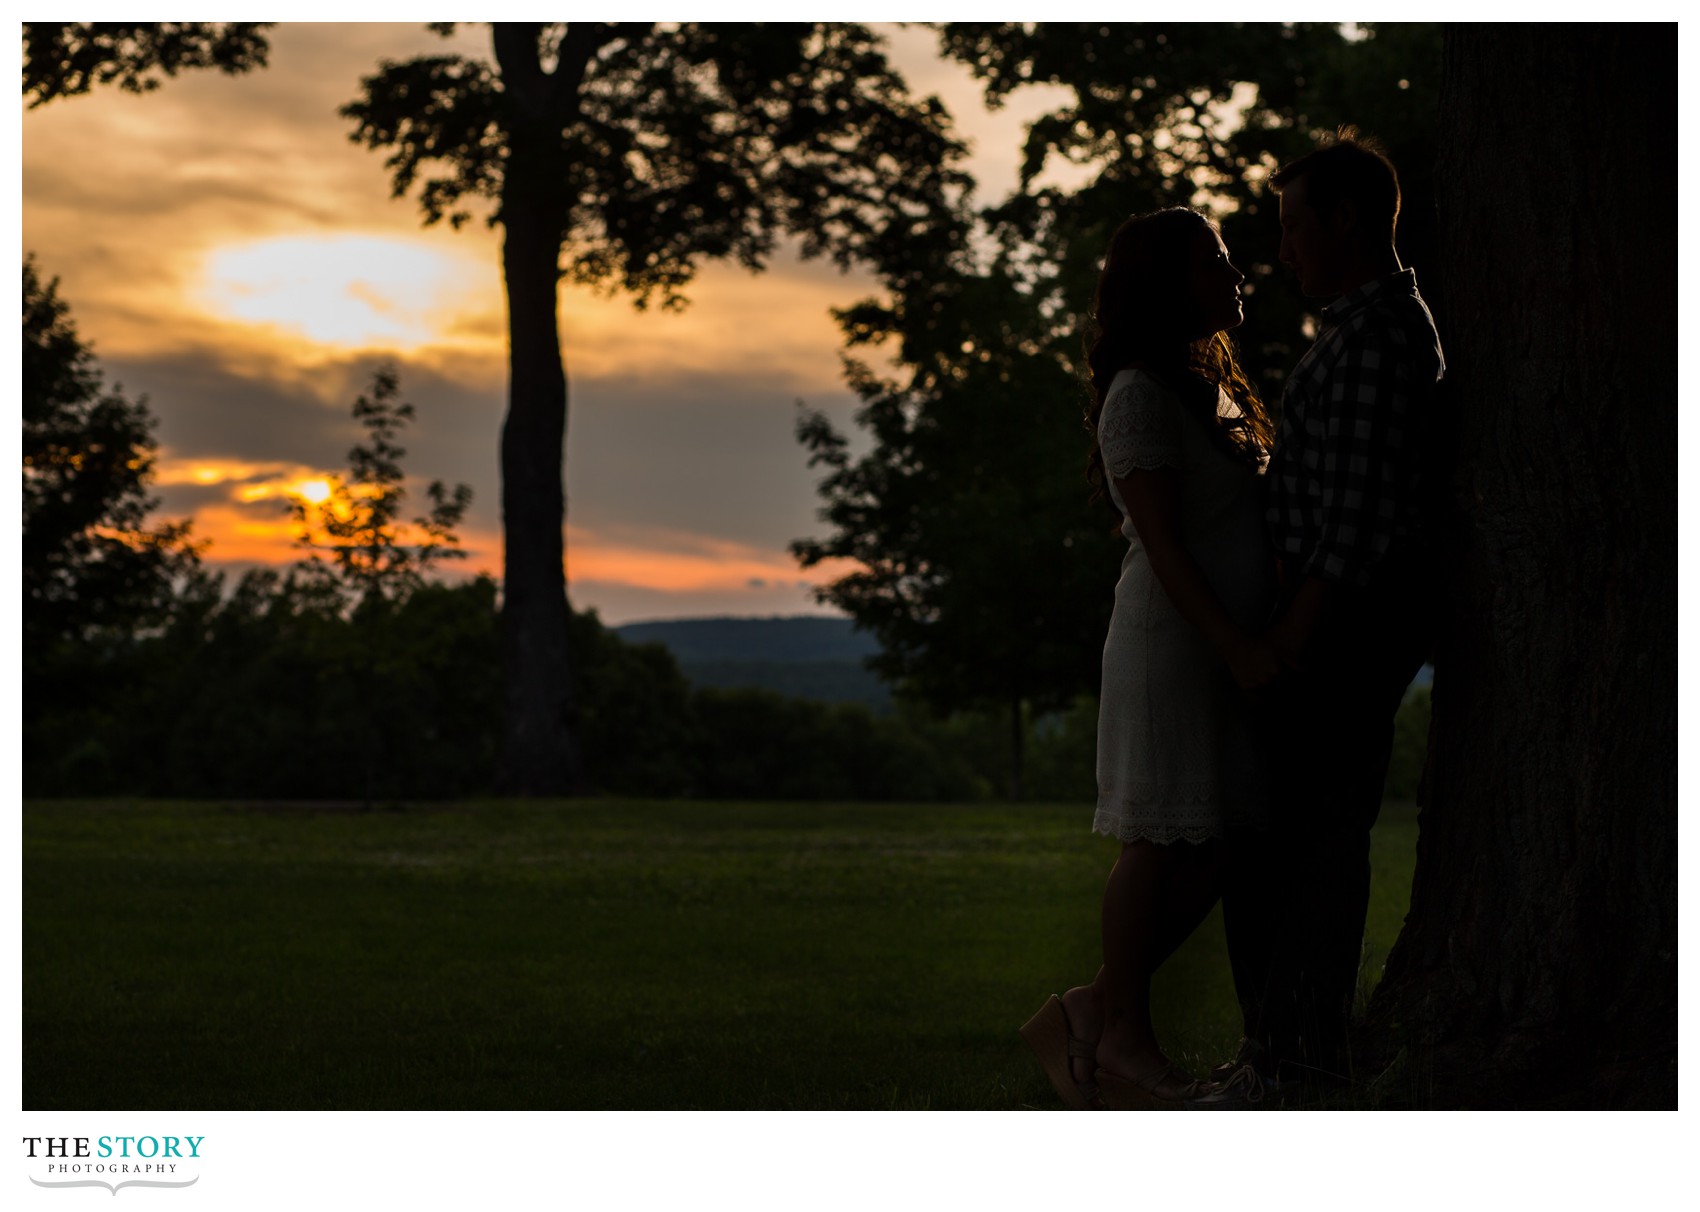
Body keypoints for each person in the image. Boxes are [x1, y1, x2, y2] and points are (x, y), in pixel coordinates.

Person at [1020, 207, 1282, 1110]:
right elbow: (1167, 547)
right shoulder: (1140, 390)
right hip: (1174, 645)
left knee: (1220, 844)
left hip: (1219, 649)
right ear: (1168, 282)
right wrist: (1236, 644)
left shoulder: (1210, 384)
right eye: (1214, 260)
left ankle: (1095, 1007)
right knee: (1160, 842)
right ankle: (1123, 1033)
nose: (1236, 272)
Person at [1207, 129, 1445, 1104]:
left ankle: (1292, 1065)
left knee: (1300, 850)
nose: (1283, 249)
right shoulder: (1356, 333)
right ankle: (1280, 1053)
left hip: (1332, 638)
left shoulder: (1378, 339)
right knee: (1280, 844)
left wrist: (1281, 647)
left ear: (1346, 219)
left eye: (1293, 226)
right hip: (1325, 631)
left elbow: (1351, 523)